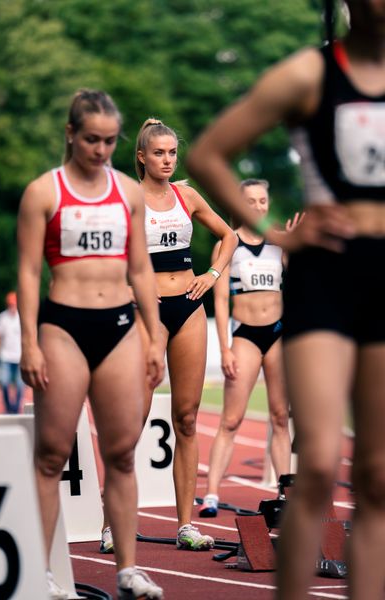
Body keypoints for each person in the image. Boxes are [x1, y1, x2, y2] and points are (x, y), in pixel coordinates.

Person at [186, 1, 385, 598]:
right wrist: (274, 231)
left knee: (376, 474)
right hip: (326, 277)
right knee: (319, 464)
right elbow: (207, 155)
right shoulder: (310, 74)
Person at [17, 89, 165, 600]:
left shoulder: (128, 192)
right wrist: (30, 343)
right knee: (52, 454)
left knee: (122, 453)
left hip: (120, 324)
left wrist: (155, 333)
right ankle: (42, 573)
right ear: (71, 135)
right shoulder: (44, 192)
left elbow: (141, 269)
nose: (100, 150)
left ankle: (128, 569)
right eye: (90, 140)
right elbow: (30, 271)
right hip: (63, 326)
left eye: (108, 141)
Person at [134, 118, 238, 550]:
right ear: (141, 157)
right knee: (132, 422)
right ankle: (109, 524)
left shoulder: (187, 194)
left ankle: (185, 525)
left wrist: (212, 274)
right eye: (158, 153)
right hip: (148, 311)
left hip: (189, 307)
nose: (167, 160)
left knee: (188, 418)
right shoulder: (127, 197)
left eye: (172, 153)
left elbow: (229, 236)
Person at [199, 179, 291, 518]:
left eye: (262, 200)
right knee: (232, 419)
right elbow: (220, 301)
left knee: (281, 417)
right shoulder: (229, 245)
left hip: (279, 333)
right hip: (246, 336)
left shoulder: (279, 243)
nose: (258, 207)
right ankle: (210, 494)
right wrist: (224, 348)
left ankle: (286, 492)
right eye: (250, 201)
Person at [0, 291, 25, 414]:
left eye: (14, 304)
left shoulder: (22, 317)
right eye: (10, 304)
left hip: (20, 357)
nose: (12, 307)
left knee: (20, 385)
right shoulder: (2, 318)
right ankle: (8, 407)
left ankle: (16, 408)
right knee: (4, 383)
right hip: (5, 357)